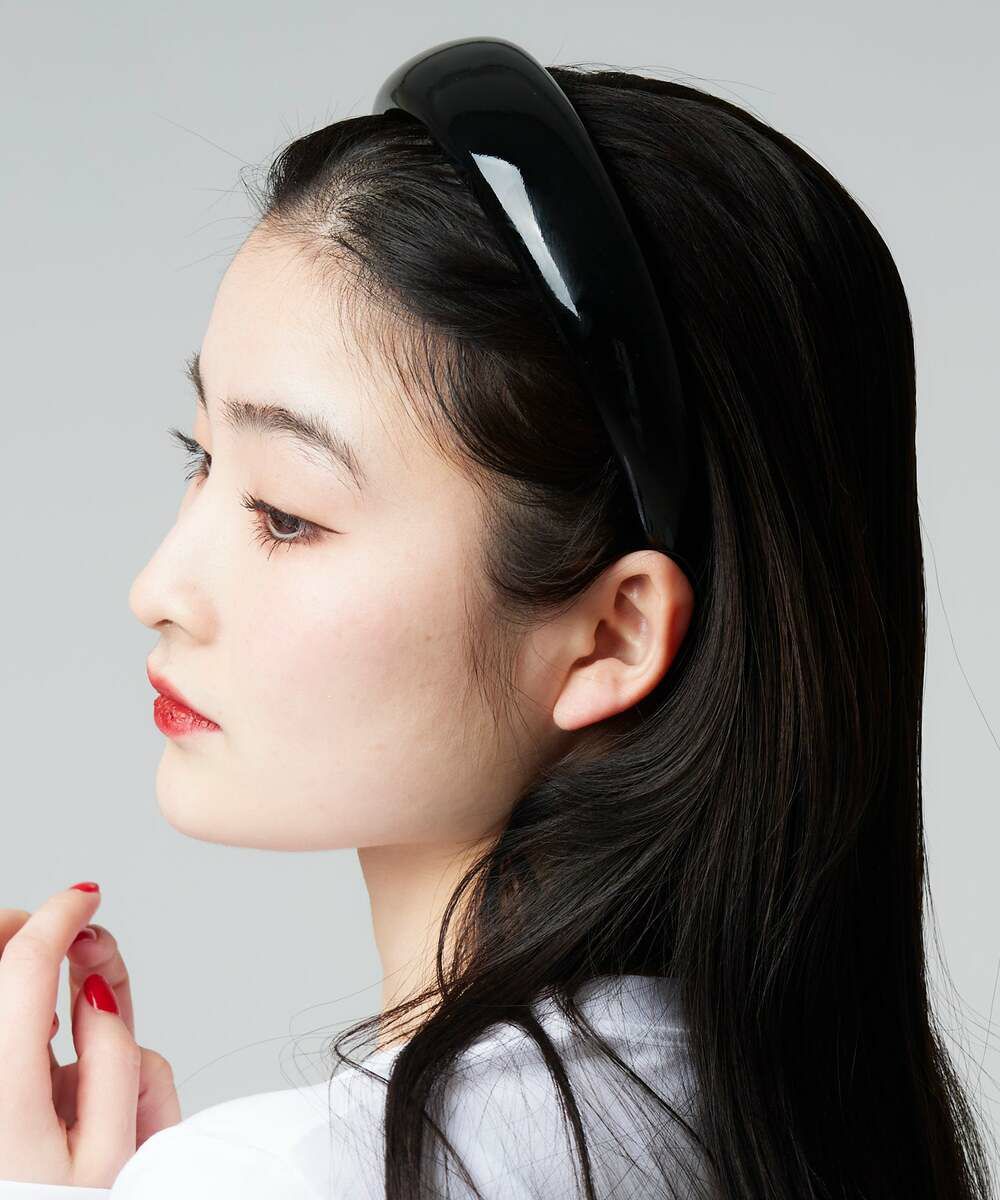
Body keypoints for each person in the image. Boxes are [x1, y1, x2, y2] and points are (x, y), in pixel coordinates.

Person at [0, 40, 993, 1200]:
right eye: (200, 456)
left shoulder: (294, 1173)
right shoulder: (793, 1128)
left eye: (283, 514)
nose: (157, 586)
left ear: (612, 635)